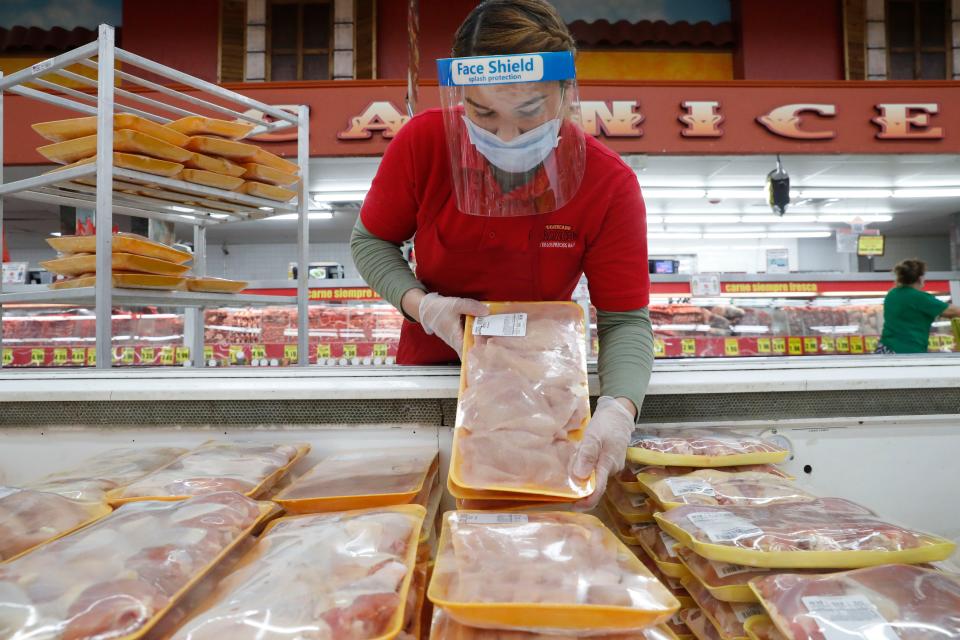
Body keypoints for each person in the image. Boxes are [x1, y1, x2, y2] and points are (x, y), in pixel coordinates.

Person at [351, 0, 651, 508]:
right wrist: (421, 304)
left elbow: (625, 319)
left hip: (541, 399)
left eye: (530, 113)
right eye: (482, 112)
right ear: (461, 96)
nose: (506, 135)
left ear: (565, 92)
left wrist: (620, 409)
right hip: (432, 381)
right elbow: (370, 240)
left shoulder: (608, 181)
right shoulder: (423, 144)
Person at [877, 258, 960, 354]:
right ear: (920, 278)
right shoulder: (918, 297)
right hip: (907, 351)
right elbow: (953, 311)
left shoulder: (892, 294)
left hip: (886, 349)